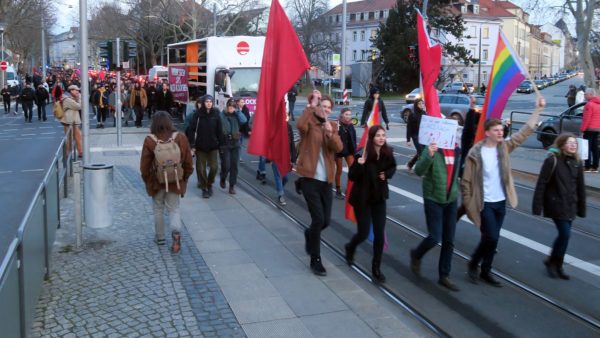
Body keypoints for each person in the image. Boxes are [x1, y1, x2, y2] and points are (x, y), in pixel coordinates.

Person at [462, 96, 545, 287]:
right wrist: (468, 203)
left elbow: (524, 132)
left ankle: (485, 271)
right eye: (496, 130)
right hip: (484, 203)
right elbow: (466, 182)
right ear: (487, 133)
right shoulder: (475, 153)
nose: (501, 133)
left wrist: (538, 110)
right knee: (491, 236)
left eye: (501, 130)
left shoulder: (504, 148)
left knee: (494, 239)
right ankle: (474, 262)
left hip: (500, 201)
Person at [297, 92, 343, 276]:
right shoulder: (310, 123)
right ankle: (315, 260)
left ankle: (310, 234)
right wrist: (312, 104)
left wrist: (331, 134)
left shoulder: (332, 126)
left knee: (325, 221)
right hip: (309, 179)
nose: (325, 109)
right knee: (318, 219)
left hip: (326, 181)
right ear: (318, 108)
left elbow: (339, 148)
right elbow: (300, 125)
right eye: (322, 106)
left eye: (328, 108)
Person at [344, 125, 396, 283]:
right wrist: (359, 164)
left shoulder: (388, 152)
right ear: (372, 137)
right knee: (364, 233)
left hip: (379, 198)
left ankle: (376, 268)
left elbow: (392, 168)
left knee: (380, 234)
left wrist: (386, 174)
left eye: (383, 135)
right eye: (378, 135)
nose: (381, 138)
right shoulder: (362, 153)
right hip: (363, 199)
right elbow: (352, 176)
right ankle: (351, 247)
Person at [532, 133, 586, 280]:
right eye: (570, 143)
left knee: (565, 236)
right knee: (565, 234)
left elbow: (580, 187)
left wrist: (582, 207)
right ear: (562, 145)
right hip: (556, 204)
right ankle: (555, 263)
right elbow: (541, 184)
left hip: (571, 205)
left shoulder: (577, 162)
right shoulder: (552, 160)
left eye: (575, 143)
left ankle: (554, 261)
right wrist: (537, 206)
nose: (573, 145)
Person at [410, 140, 461, 291]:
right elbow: (418, 170)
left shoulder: (457, 149)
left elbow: (459, 172)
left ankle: (444, 275)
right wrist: (429, 155)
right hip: (433, 198)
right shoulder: (432, 147)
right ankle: (416, 255)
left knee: (449, 240)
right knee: (434, 237)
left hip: (451, 199)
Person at [140, 111, 194, 253]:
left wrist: (147, 181)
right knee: (174, 209)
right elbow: (188, 162)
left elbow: (144, 166)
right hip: (175, 180)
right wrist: (184, 178)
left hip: (157, 182)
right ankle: (176, 236)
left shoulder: (150, 140)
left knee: (158, 208)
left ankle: (160, 237)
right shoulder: (180, 138)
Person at [185, 95, 223, 199]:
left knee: (214, 168)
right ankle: (204, 188)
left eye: (210, 102)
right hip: (200, 146)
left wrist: (221, 144)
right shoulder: (197, 114)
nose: (209, 103)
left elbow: (219, 130)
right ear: (203, 103)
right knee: (201, 169)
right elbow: (191, 130)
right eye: (207, 102)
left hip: (213, 146)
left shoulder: (216, 113)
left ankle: (209, 183)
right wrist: (192, 144)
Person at [219, 98, 247, 194]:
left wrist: (237, 111)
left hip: (236, 143)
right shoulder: (222, 115)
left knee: (234, 165)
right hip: (225, 143)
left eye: (233, 106)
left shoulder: (237, 114)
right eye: (230, 106)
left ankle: (232, 185)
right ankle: (223, 177)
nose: (231, 108)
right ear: (227, 106)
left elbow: (244, 120)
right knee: (226, 165)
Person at [334, 107, 357, 199]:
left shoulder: (351, 125)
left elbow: (354, 138)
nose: (348, 116)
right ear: (342, 115)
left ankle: (349, 189)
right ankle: (338, 189)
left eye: (349, 114)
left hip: (349, 150)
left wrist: (355, 150)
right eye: (346, 114)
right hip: (339, 150)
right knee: (339, 169)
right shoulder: (337, 124)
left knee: (352, 170)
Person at [59, 85, 83, 158]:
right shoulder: (67, 99)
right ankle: (67, 154)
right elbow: (79, 106)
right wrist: (80, 98)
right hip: (68, 121)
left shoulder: (71, 98)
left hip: (73, 121)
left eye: (78, 91)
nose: (77, 92)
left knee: (78, 136)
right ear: (71, 91)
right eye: (76, 90)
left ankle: (80, 152)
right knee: (69, 139)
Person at [581, 88, 600, 172]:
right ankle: (595, 167)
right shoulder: (598, 104)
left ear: (591, 95)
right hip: (597, 129)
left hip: (589, 129)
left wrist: (582, 129)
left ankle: (587, 166)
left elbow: (587, 119)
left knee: (587, 148)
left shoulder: (589, 105)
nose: (584, 95)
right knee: (595, 148)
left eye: (585, 94)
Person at [406, 99, 426, 171]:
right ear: (416, 105)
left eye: (422, 103)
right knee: (421, 152)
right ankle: (421, 170)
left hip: (423, 136)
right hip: (415, 135)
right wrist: (408, 139)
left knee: (422, 151)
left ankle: (410, 164)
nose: (421, 105)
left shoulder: (424, 113)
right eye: (419, 104)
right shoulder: (412, 115)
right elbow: (409, 127)